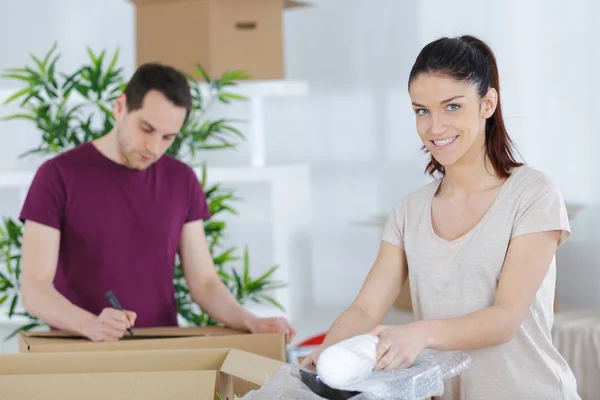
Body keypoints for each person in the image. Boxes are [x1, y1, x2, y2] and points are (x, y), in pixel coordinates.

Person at [302, 35, 580, 399]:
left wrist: (419, 333)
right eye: (422, 110)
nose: (435, 127)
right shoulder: (409, 212)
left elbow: (506, 317)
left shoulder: (533, 194)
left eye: (452, 107)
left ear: (488, 104)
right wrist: (326, 358)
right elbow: (366, 308)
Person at [18, 62, 296, 344]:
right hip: (81, 352)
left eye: (168, 138)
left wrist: (250, 321)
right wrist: (91, 325)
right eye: (146, 129)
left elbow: (204, 282)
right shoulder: (57, 176)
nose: (154, 147)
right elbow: (34, 288)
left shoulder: (181, 180)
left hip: (161, 350)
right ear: (120, 106)